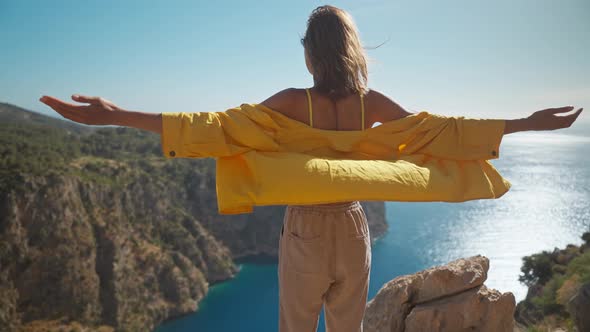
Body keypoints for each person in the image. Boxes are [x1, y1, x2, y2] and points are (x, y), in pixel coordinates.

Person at [39, 5, 583, 332]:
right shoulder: (373, 104)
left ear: (309, 53)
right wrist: (523, 122)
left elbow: (214, 127)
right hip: (354, 225)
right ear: (353, 49)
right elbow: (443, 131)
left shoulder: (292, 101)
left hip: (305, 226)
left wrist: (116, 115)